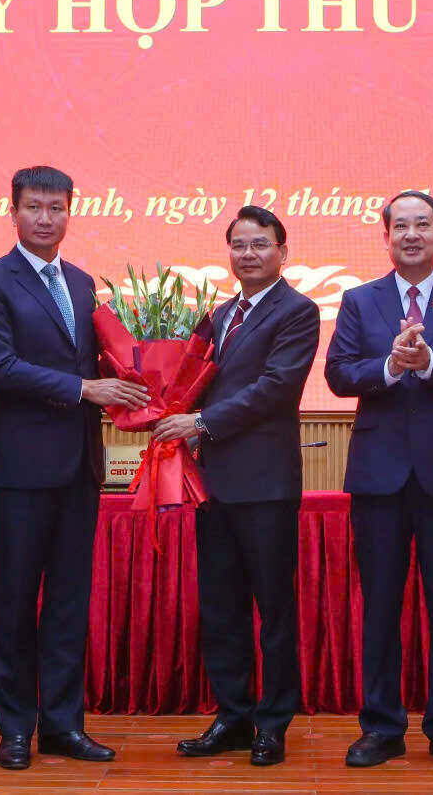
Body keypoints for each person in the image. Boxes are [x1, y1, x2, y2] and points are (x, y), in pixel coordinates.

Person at [0, 165, 149, 771]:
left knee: (70, 602)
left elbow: (100, 361)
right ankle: (15, 727)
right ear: (12, 213)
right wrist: (86, 390)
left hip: (79, 467)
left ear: (69, 213)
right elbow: (2, 367)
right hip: (21, 467)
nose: (46, 219)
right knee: (17, 600)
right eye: (34, 208)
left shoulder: (79, 281)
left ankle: (63, 726)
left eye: (56, 209)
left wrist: (143, 375)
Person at [323, 190, 433, 769]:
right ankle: (381, 726)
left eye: (422, 224)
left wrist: (428, 363)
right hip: (379, 477)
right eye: (400, 226)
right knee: (379, 606)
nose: (411, 235)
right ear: (386, 237)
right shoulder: (360, 301)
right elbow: (339, 375)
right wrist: (389, 368)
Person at [154, 205, 320, 767]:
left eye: (260, 244)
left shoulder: (297, 312)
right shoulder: (219, 315)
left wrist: (199, 423)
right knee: (220, 607)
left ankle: (272, 724)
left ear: (282, 251)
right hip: (213, 484)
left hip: (266, 483)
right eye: (240, 245)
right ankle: (232, 714)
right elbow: (192, 381)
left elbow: (275, 388)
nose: (249, 254)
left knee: (272, 608)